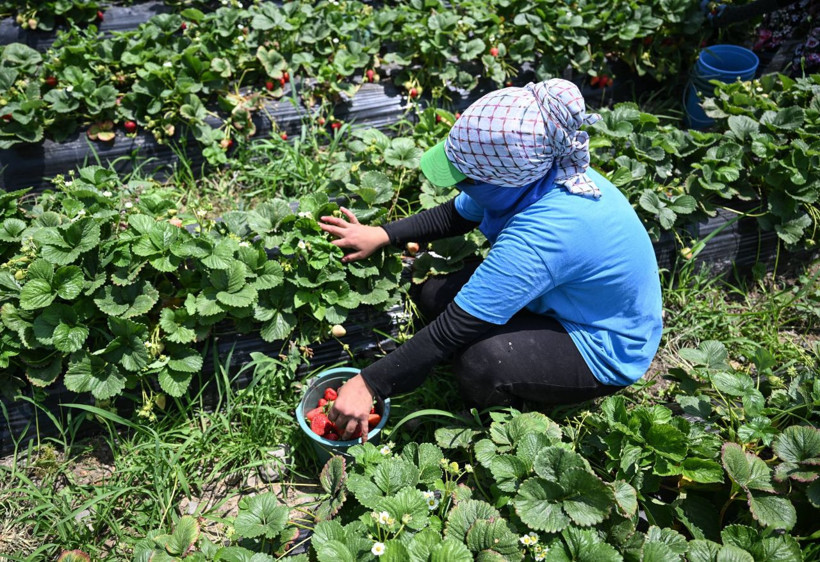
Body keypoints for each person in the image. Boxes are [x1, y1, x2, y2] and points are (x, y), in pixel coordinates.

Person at [319, 79, 663, 441]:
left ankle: (500, 427)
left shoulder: (547, 232)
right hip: (565, 298)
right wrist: (383, 234)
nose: (456, 185)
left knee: (482, 361)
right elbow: (457, 214)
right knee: (434, 294)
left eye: (464, 179)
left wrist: (369, 383)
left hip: (602, 342)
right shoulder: (535, 172)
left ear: (501, 184)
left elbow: (453, 328)